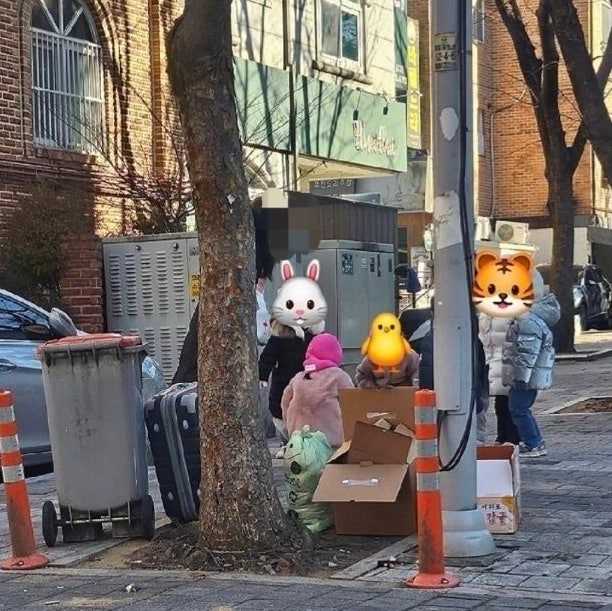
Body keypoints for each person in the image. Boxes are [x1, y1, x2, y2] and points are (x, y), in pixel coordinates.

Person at [502, 271, 560, 457]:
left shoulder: (527, 320)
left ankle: (534, 443)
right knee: (520, 408)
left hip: (526, 375)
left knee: (519, 409)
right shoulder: (531, 318)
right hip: (530, 373)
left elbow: (528, 352)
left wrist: (520, 376)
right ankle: (534, 442)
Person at [280, 333, 354, 450]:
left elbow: (285, 403)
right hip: (330, 444)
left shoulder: (298, 378)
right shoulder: (339, 376)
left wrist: (288, 429)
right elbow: (353, 405)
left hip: (299, 443)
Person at [479, 313, 520, 445]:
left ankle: (513, 437)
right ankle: (502, 435)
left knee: (508, 398)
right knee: (499, 399)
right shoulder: (484, 313)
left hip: (507, 358)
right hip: (488, 359)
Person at [355, 350, 419, 388]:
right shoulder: (370, 359)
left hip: (405, 389)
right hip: (378, 390)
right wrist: (370, 386)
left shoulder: (409, 355)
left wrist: (415, 385)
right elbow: (362, 376)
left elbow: (416, 372)